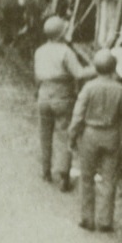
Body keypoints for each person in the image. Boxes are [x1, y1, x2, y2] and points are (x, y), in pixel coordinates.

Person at [69, 49, 122, 232]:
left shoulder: (88, 88)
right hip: (112, 136)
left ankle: (86, 219)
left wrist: (72, 137)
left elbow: (78, 116)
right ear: (114, 69)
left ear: (95, 68)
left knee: (87, 177)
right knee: (109, 179)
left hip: (90, 135)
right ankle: (105, 221)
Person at [34, 16, 91, 191]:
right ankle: (64, 177)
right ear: (61, 34)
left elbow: (37, 76)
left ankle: (45, 172)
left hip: (43, 95)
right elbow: (79, 74)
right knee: (64, 135)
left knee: (45, 134)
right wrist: (99, 68)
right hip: (63, 96)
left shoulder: (40, 51)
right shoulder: (65, 51)